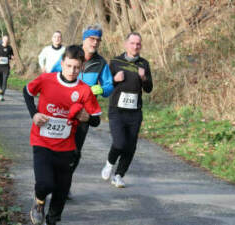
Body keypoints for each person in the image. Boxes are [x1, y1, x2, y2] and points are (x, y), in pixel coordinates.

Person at [23, 45, 101, 225]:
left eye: (76, 67)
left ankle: (52, 220)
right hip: (41, 141)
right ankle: (39, 202)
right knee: (45, 184)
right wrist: (34, 113)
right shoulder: (46, 79)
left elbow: (96, 119)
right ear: (62, 63)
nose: (72, 71)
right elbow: (27, 92)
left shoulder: (84, 90)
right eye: (68, 66)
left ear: (81, 67)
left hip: (67, 146)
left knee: (61, 190)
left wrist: (87, 118)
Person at [51, 24, 113, 197]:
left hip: (83, 114)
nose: (95, 43)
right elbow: (53, 73)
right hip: (62, 110)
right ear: (84, 39)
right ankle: (54, 178)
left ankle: (65, 184)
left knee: (75, 152)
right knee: (58, 148)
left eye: (98, 40)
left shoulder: (100, 63)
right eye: (92, 39)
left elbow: (109, 86)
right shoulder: (71, 54)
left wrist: (97, 90)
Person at [101, 32, 153, 188]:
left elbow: (149, 88)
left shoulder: (144, 64)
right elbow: (106, 86)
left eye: (138, 44)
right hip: (117, 110)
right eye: (132, 43)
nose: (135, 46)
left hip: (135, 112)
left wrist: (144, 78)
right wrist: (114, 80)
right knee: (119, 143)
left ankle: (118, 175)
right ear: (126, 44)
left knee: (131, 146)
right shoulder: (115, 62)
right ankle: (110, 163)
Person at [0, 35, 14, 101]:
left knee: (4, 81)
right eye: (4, 39)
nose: (6, 41)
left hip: (6, 67)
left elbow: (11, 55)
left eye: (7, 39)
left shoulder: (9, 48)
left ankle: (1, 95)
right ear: (2, 40)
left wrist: (11, 57)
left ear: (8, 40)